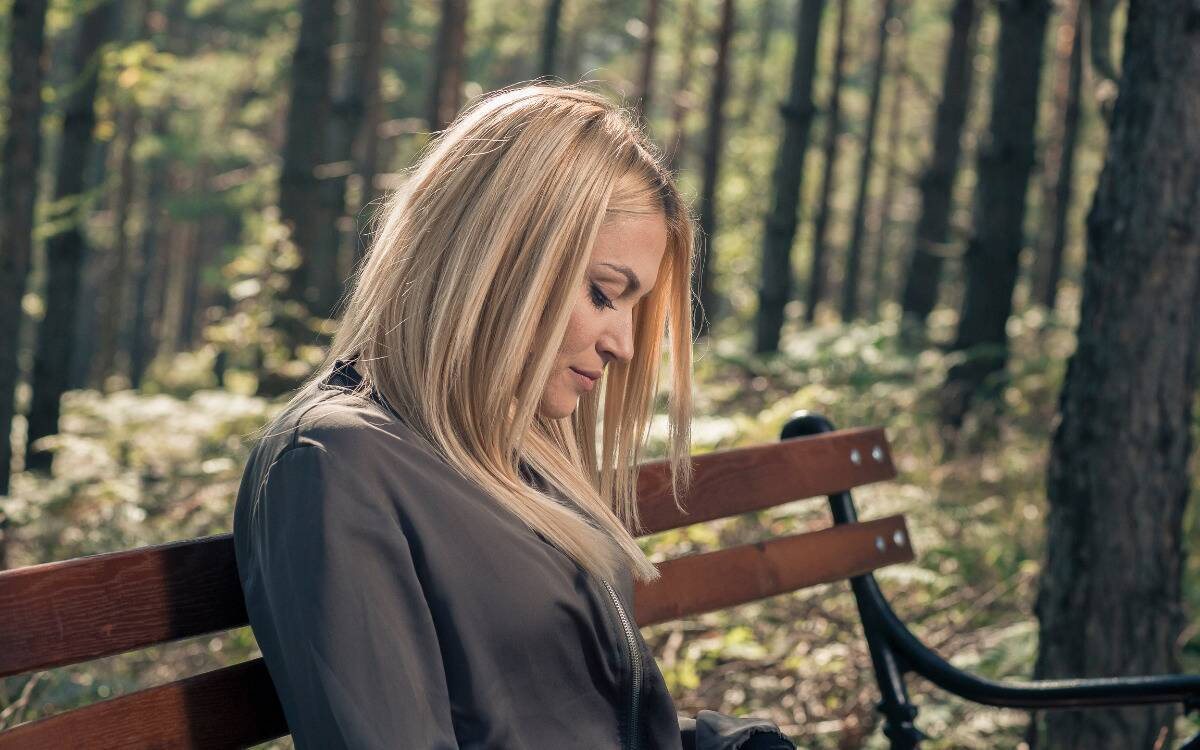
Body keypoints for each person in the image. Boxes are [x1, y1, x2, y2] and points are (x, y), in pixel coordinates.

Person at [232, 81, 796, 750]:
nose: (624, 344)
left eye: (635, 309)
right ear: (499, 255)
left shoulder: (511, 444)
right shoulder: (334, 465)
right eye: (604, 293)